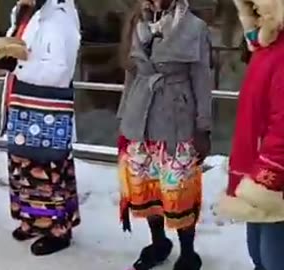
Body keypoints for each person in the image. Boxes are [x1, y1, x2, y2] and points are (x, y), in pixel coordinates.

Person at [117, 0, 212, 269]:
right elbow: (131, 75)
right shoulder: (137, 23)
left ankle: (188, 252)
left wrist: (203, 127)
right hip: (139, 118)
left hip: (177, 121)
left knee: (178, 187)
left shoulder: (195, 27)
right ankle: (159, 243)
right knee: (146, 185)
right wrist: (124, 119)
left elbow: (203, 79)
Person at [0, 0, 81, 256]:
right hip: (22, 102)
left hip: (46, 109)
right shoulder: (25, 13)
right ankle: (33, 219)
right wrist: (1, 55)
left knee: (46, 169)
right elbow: (19, 48)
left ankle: (58, 230)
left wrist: (16, 66)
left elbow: (59, 70)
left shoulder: (59, 18)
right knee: (23, 167)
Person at [216, 0, 284, 270]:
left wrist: (267, 175)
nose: (254, 10)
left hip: (273, 183)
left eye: (258, 5)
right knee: (259, 256)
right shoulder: (266, 51)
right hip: (255, 177)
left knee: (272, 260)